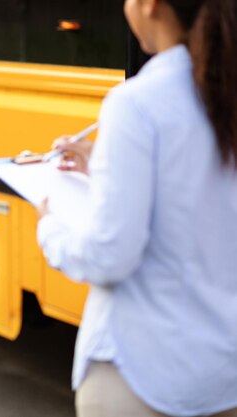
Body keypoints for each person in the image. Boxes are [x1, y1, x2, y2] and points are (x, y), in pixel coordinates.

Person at [36, 0, 237, 416]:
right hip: (224, 376)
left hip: (142, 375)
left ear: (149, 5)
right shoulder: (222, 90)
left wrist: (50, 226)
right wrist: (104, 164)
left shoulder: (137, 102)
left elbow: (108, 255)